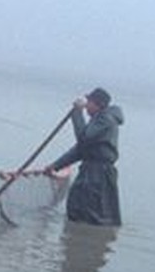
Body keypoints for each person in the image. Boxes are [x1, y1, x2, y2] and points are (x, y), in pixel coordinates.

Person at [44, 87, 125, 226]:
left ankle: (88, 235)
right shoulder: (98, 120)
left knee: (92, 211)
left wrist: (77, 112)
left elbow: (83, 138)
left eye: (89, 102)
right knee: (77, 207)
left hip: (99, 174)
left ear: (98, 104)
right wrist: (55, 166)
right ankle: (77, 236)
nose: (86, 105)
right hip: (91, 171)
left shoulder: (105, 119)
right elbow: (81, 150)